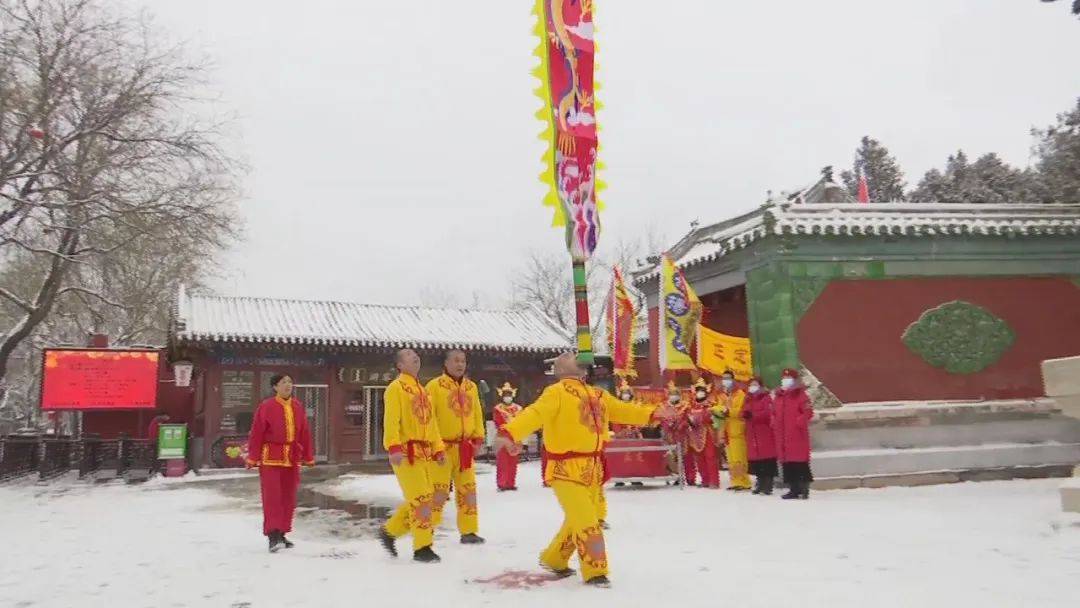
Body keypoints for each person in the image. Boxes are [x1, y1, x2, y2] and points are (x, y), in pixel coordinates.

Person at [494, 352, 674, 587]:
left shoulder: (598, 394)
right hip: (565, 468)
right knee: (587, 520)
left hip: (593, 467)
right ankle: (595, 570)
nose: (574, 357)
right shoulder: (555, 392)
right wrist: (509, 432)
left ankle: (554, 559)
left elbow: (623, 409)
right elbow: (534, 414)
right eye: (567, 357)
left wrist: (652, 413)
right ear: (560, 369)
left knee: (576, 520)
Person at [379, 349, 447, 562]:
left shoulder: (423, 391)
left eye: (416, 354)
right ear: (400, 365)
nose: (415, 356)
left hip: (426, 453)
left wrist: (438, 448)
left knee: (424, 497)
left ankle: (390, 531)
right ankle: (422, 547)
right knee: (421, 499)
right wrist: (393, 447)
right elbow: (391, 421)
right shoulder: (395, 388)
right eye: (409, 355)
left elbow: (432, 424)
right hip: (407, 453)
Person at [245, 374, 315, 553]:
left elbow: (304, 433)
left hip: (291, 458)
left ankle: (283, 532)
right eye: (283, 382)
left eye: (290, 382)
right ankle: (272, 535)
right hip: (271, 457)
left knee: (288, 497)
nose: (288, 385)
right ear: (275, 387)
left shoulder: (297, 406)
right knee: (272, 497)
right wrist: (253, 457)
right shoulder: (266, 406)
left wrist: (308, 455)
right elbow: (257, 433)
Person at [425, 350, 486, 544]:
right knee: (438, 490)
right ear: (446, 363)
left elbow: (477, 412)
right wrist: (434, 445)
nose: (460, 365)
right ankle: (427, 530)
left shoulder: (471, 387)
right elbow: (429, 419)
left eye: (463, 361)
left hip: (465, 447)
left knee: (467, 490)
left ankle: (469, 531)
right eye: (456, 361)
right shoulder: (434, 386)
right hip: (442, 447)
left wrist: (478, 438)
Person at [774, 368, 813, 500]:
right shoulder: (779, 396)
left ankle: (804, 488)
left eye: (788, 378)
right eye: (784, 378)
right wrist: (773, 422)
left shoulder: (801, 395)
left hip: (797, 435)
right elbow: (773, 412)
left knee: (799, 463)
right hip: (782, 435)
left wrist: (799, 422)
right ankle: (793, 489)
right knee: (788, 464)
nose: (785, 380)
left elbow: (808, 412)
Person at [742, 376, 778, 495]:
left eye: (755, 384)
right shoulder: (748, 398)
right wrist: (745, 414)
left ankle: (768, 485)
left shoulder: (766, 398)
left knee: (767, 460)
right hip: (752, 434)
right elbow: (744, 411)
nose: (753, 387)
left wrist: (754, 415)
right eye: (751, 384)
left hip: (764, 432)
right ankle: (760, 483)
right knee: (757, 462)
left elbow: (768, 413)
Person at [716, 370, 751, 491]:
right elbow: (719, 409)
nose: (725, 380)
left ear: (733, 379)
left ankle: (744, 481)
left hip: (737, 429)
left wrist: (728, 412)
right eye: (723, 378)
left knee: (739, 457)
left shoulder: (740, 394)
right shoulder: (722, 395)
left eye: (728, 378)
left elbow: (742, 411)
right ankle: (735, 481)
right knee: (730, 458)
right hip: (726, 429)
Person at [684, 378, 720, 489]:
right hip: (695, 435)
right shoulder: (690, 406)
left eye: (702, 391)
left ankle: (714, 481)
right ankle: (705, 480)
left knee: (710, 457)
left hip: (707, 432)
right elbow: (686, 417)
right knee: (699, 458)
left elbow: (713, 419)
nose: (700, 393)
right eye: (698, 391)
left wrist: (704, 417)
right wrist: (689, 421)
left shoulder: (711, 405)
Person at [493, 382, 522, 491]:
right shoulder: (498, 408)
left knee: (513, 461)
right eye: (505, 395)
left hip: (516, 436)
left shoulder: (518, 408)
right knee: (502, 461)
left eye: (509, 394)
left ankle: (511, 483)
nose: (507, 397)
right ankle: (502, 483)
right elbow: (498, 423)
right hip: (503, 437)